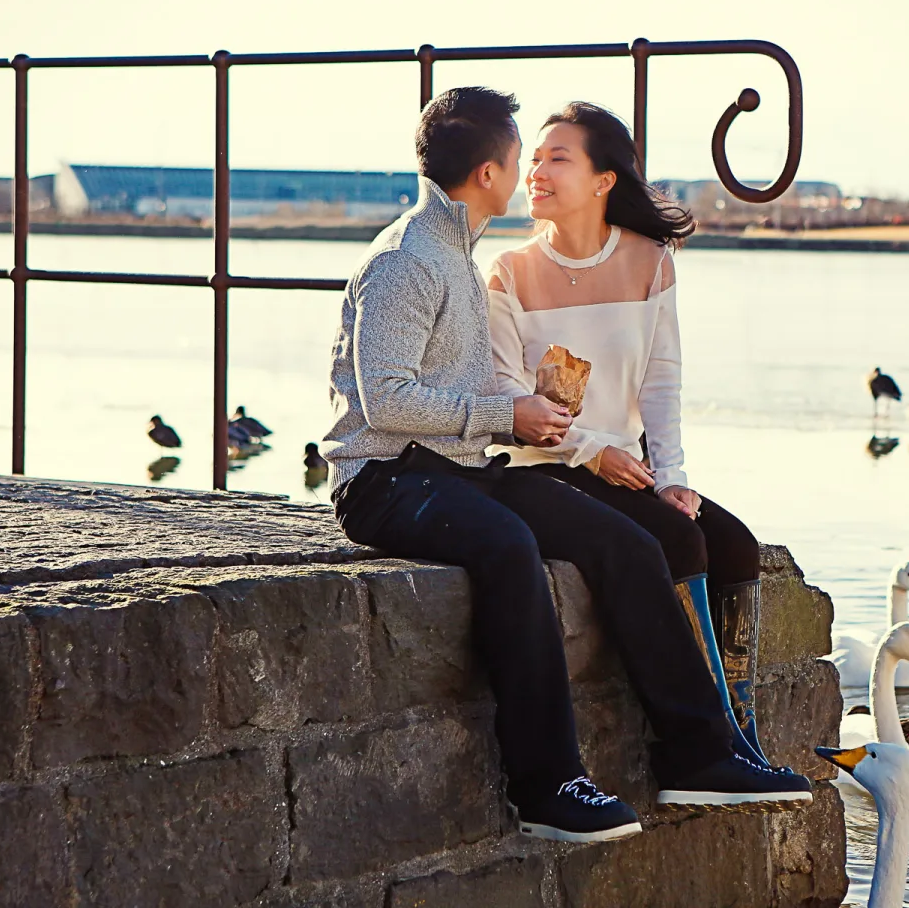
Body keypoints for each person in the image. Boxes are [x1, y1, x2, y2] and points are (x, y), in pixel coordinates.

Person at [322, 87, 810, 846]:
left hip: (454, 468)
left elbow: (482, 383)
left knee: (625, 542)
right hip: (383, 480)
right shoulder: (407, 261)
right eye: (523, 158)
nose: (529, 173)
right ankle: (549, 785)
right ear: (490, 172)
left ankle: (701, 753)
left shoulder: (457, 255)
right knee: (510, 547)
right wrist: (511, 416)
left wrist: (532, 410)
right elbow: (384, 402)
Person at [486, 101, 792, 772]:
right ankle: (704, 744)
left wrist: (674, 476)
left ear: (604, 180)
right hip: (545, 466)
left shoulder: (649, 260)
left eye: (557, 157)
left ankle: (740, 729)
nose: (536, 171)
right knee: (678, 540)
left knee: (733, 543)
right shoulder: (507, 273)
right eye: (533, 159)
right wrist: (593, 451)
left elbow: (662, 381)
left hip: (630, 465)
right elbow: (509, 394)